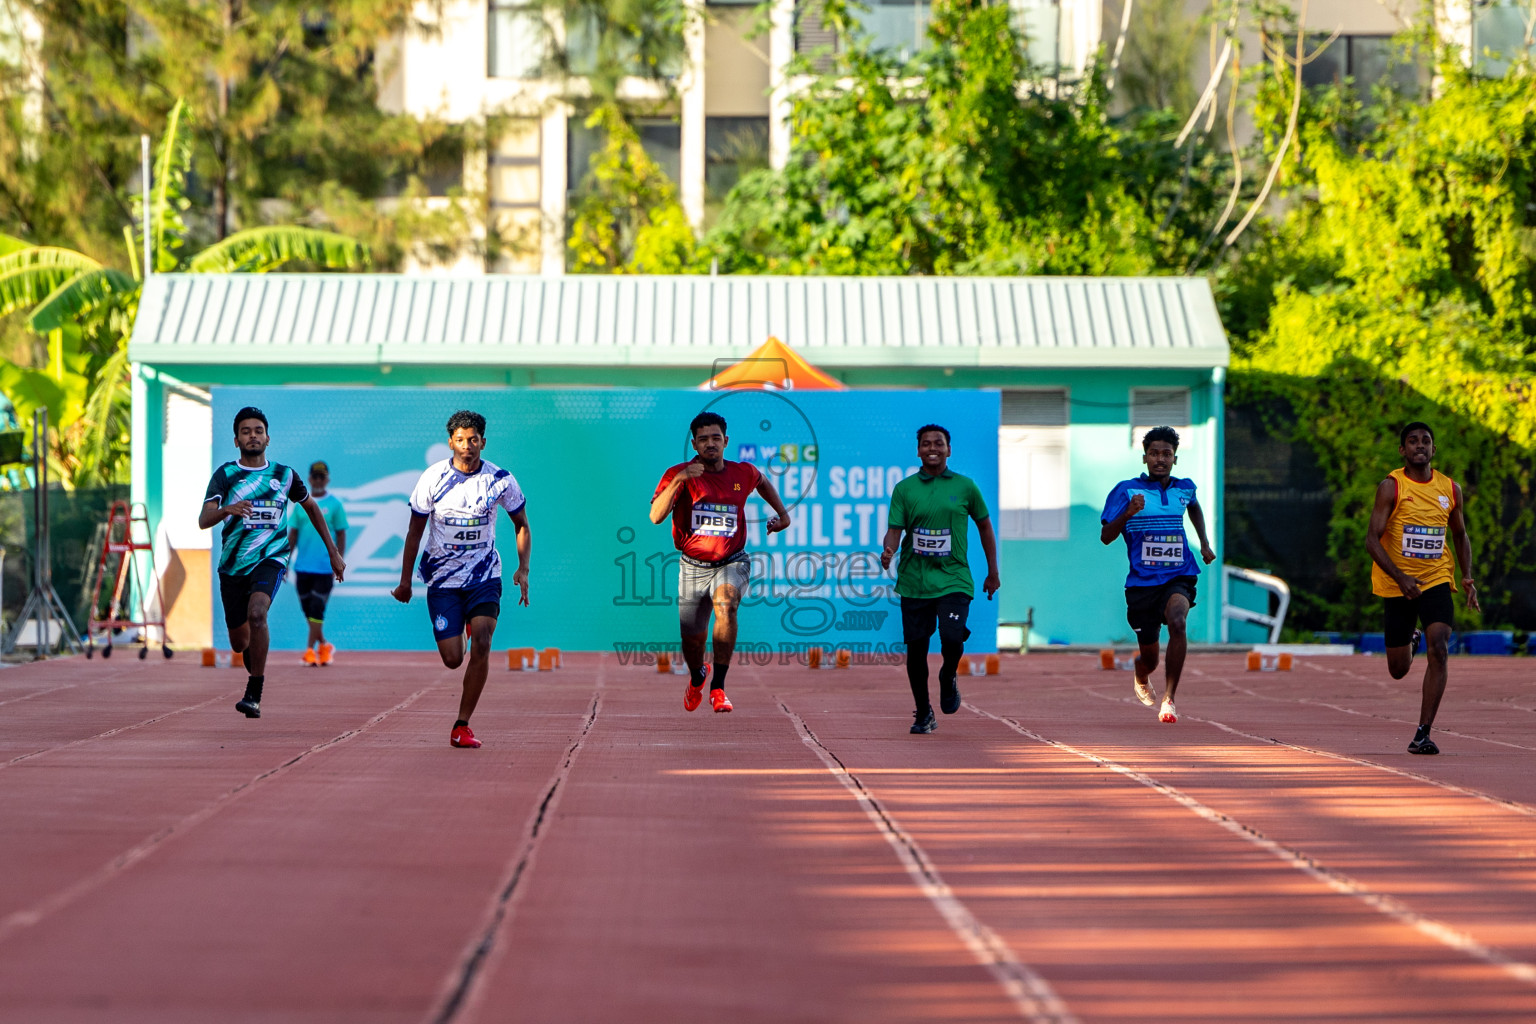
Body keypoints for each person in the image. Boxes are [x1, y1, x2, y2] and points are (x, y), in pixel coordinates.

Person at [392, 410, 531, 749]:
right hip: (443, 581)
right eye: (460, 440)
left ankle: (461, 725)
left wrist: (523, 568)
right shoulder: (432, 479)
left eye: (473, 440)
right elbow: (414, 533)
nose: (467, 446)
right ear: (450, 442)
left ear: (483, 441)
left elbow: (521, 524)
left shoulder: (500, 480)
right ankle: (462, 628)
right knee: (453, 659)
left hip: (484, 575)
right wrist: (406, 581)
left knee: (483, 640)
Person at [200, 407, 346, 719]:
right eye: (245, 431)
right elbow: (203, 520)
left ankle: (254, 692)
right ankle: (253, 655)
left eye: (258, 430)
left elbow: (312, 509)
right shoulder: (225, 476)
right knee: (240, 643)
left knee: (257, 613)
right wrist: (228, 510)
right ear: (237, 440)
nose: (252, 435)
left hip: (271, 558)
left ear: (268, 438)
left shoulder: (285, 475)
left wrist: (333, 552)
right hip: (233, 566)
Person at [650, 411, 790, 714]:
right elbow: (656, 516)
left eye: (716, 438)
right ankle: (698, 676)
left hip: (732, 561)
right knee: (692, 641)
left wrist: (783, 514)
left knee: (726, 605)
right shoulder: (678, 473)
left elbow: (763, 482)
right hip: (692, 567)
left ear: (726, 441)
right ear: (694, 444)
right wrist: (679, 481)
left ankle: (719, 687)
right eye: (703, 440)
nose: (710, 444)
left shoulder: (742, 472)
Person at [1364, 422, 1477, 755]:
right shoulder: (1391, 487)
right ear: (1402, 450)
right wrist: (1401, 578)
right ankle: (1411, 638)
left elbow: (1459, 534)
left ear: (1433, 449)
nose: (1419, 446)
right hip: (1397, 582)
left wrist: (1467, 576)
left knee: (1440, 646)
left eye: (1426, 441)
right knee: (1398, 670)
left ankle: (1423, 732)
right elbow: (1372, 540)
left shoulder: (1450, 489)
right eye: (1412, 441)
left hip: (1436, 577)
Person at [879, 424, 1000, 735]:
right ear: (918, 450)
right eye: (926, 443)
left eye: (939, 443)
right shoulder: (905, 489)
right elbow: (895, 529)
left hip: (953, 577)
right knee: (916, 650)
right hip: (915, 581)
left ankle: (948, 675)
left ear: (949, 449)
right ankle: (923, 712)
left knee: (951, 636)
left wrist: (992, 571)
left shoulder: (966, 486)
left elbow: (985, 527)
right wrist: (889, 548)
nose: (932, 447)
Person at [1099, 426, 1216, 725]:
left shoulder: (1184, 487)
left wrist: (1203, 542)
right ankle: (1141, 674)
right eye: (1154, 453)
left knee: (1178, 622)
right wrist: (1127, 513)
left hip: (1179, 574)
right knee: (1149, 657)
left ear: (1175, 458)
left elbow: (1194, 507)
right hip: (1141, 585)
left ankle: (1169, 699)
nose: (1160, 459)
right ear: (1144, 458)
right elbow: (1106, 537)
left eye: (1166, 454)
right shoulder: (1126, 490)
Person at [286, 460, 348, 666]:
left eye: (323, 477)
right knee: (308, 611)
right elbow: (293, 534)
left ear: (327, 479)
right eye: (315, 476)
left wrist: (338, 559)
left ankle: (309, 651)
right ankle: (324, 644)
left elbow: (341, 534)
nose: (319, 480)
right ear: (310, 479)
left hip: (324, 568)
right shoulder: (300, 506)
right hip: (303, 567)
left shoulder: (335, 505)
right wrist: (285, 561)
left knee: (317, 608)